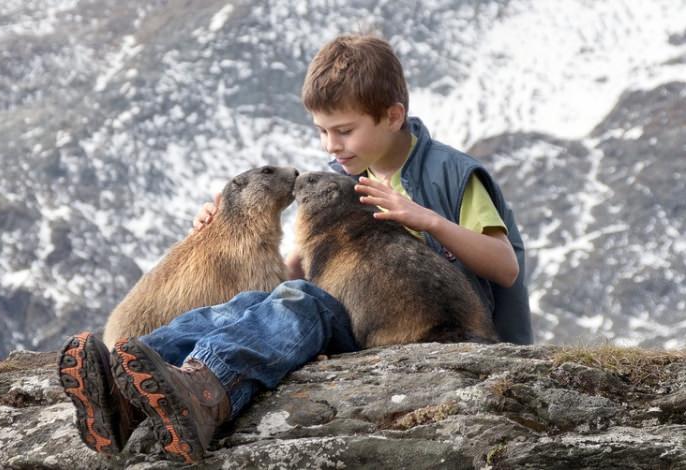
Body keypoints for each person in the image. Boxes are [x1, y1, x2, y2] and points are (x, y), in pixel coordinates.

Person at [58, 34, 532, 464]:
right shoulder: (354, 178)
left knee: (304, 305)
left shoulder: (451, 173)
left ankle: (207, 392)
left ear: (392, 115)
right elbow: (298, 272)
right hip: (362, 315)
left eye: (344, 131)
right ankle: (127, 381)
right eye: (322, 132)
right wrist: (216, 230)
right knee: (259, 303)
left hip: (429, 330)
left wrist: (425, 219)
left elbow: (504, 266)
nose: (332, 145)